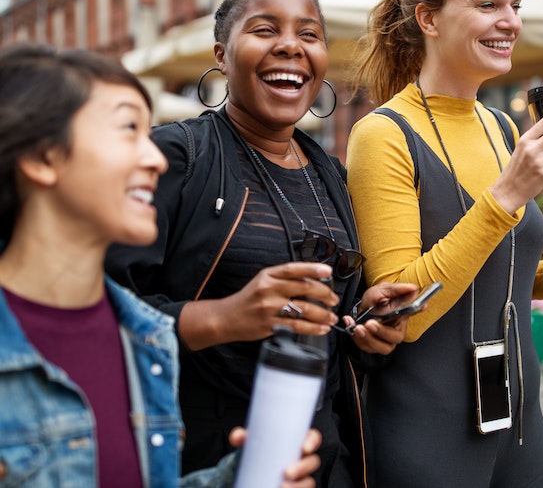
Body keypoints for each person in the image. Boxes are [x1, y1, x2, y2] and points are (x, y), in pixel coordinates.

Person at [105, 0, 416, 486]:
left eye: (308, 34)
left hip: (323, 456)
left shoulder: (331, 175)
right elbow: (104, 310)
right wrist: (226, 317)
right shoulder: (175, 157)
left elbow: (329, 325)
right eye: (265, 29)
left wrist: (365, 326)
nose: (291, 46)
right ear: (222, 55)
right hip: (207, 458)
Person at [345, 0, 543, 487]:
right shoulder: (382, 135)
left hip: (521, 420)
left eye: (515, 5)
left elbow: (490, 269)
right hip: (428, 431)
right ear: (428, 18)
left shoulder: (500, 126)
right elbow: (402, 311)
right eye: (487, 5)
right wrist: (506, 196)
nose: (511, 22)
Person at [0, 43, 321, 487]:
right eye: (128, 129)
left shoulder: (146, 340)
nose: (153, 156)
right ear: (41, 158)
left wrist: (235, 479)